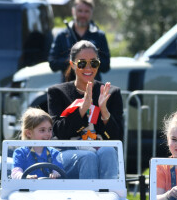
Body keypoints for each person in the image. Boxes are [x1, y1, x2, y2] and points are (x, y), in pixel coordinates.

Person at [47, 40, 123, 179]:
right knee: (88, 157)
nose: (88, 68)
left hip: (100, 149)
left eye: (93, 63)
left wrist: (104, 110)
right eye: (82, 63)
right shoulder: (57, 92)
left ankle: (110, 196)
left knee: (109, 152)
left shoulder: (111, 93)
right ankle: (89, 198)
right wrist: (82, 109)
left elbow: (116, 137)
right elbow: (60, 132)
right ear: (73, 65)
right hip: (67, 151)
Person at [48, 0, 110, 81]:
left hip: (92, 88)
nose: (83, 15)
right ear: (73, 11)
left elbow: (106, 66)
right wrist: (73, 60)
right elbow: (53, 64)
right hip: (68, 88)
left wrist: (91, 60)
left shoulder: (99, 36)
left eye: (86, 11)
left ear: (91, 13)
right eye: (80, 11)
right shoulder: (62, 35)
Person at [11, 108, 63, 179]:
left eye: (50, 129)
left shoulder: (54, 153)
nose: (48, 134)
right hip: (27, 189)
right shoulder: (20, 153)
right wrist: (25, 177)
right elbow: (15, 172)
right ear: (29, 133)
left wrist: (56, 173)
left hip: (50, 189)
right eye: (42, 130)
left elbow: (60, 170)